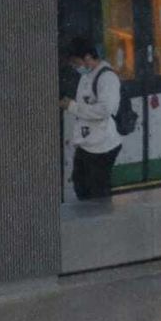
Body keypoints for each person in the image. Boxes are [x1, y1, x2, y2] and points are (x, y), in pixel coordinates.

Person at [60, 36, 122, 201]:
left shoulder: (107, 78)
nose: (75, 67)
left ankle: (101, 223)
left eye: (75, 63)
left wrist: (72, 107)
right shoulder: (87, 76)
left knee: (97, 193)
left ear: (87, 58)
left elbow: (105, 110)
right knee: (81, 186)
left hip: (102, 147)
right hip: (88, 145)